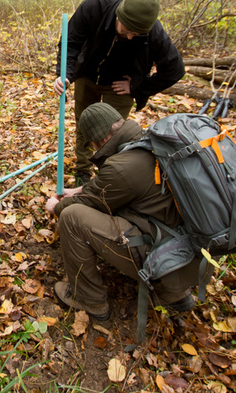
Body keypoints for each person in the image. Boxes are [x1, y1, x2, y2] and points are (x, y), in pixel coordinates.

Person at [45, 103, 198, 319]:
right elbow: (116, 185)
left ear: (102, 139)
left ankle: (88, 299)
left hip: (166, 254)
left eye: (92, 144)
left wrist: (56, 207)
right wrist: (78, 190)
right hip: (188, 249)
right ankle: (173, 292)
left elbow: (97, 196)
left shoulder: (121, 167)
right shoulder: (145, 141)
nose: (93, 149)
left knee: (71, 217)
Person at [53, 0, 185, 185]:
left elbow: (175, 69)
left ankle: (110, 176)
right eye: (127, 29)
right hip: (87, 76)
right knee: (85, 124)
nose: (131, 37)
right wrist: (65, 75)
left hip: (119, 87)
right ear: (119, 16)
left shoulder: (153, 31)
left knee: (114, 133)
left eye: (137, 34)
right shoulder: (96, 7)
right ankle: (83, 172)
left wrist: (137, 87)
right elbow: (71, 41)